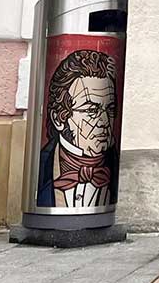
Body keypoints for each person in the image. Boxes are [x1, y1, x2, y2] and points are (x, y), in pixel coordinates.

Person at [36, 48, 118, 209]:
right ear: (59, 118)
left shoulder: (116, 166)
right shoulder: (39, 168)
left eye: (109, 109)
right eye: (91, 110)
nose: (104, 122)